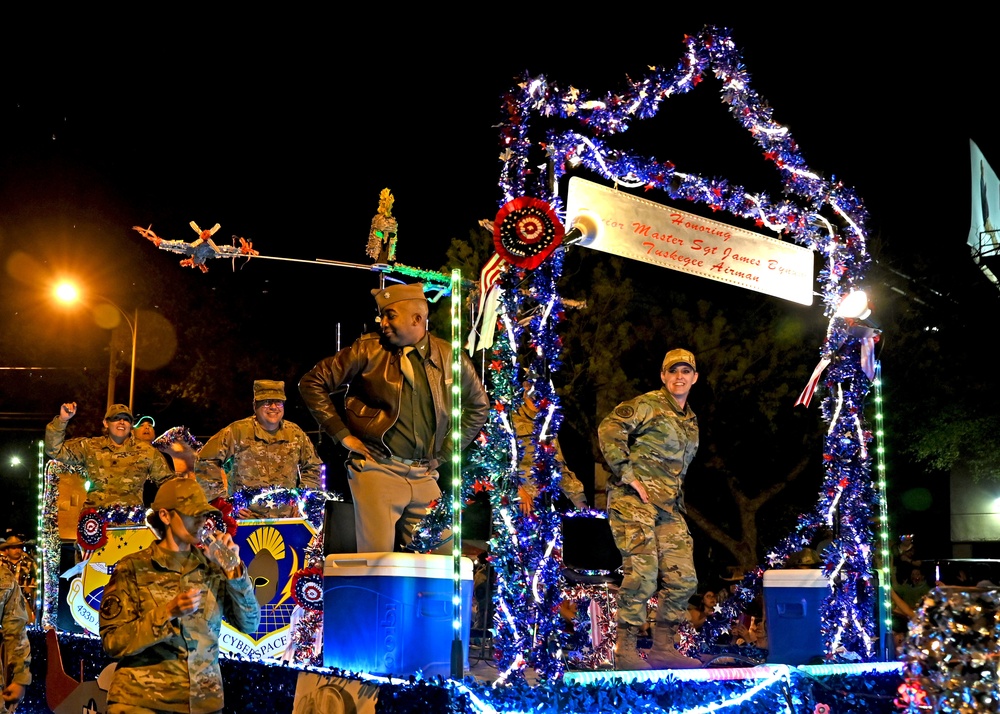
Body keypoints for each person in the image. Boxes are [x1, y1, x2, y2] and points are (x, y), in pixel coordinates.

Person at [299, 282, 490, 553]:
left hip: (424, 474)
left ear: (417, 318)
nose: (383, 322)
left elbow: (478, 406)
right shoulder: (367, 349)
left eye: (390, 315)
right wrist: (342, 435)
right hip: (378, 469)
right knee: (379, 558)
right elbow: (312, 382)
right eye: (382, 315)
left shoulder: (449, 356)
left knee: (445, 555)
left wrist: (446, 452)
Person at [99, 477, 260, 713]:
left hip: (204, 702)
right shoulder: (133, 568)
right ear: (165, 516)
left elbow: (250, 624)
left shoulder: (212, 568)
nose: (201, 522)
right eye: (192, 514)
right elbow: (113, 643)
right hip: (143, 702)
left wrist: (234, 571)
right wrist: (167, 613)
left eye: (203, 515)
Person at [598, 348, 702, 670]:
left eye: (685, 371)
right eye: (673, 371)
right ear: (663, 376)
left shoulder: (690, 421)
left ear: (694, 378)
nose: (679, 377)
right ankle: (625, 650)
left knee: (684, 578)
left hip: (668, 509)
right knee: (643, 574)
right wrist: (626, 473)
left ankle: (663, 647)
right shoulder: (649, 404)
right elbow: (609, 428)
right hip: (635, 502)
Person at [197, 380, 324, 519]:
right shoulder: (237, 432)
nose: (274, 407)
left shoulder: (295, 434)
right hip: (245, 521)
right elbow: (205, 460)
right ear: (255, 405)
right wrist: (223, 503)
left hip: (286, 521)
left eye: (279, 402)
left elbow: (313, 466)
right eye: (267, 402)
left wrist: (303, 499)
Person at [44, 402, 174, 512]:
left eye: (126, 419)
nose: (122, 422)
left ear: (131, 425)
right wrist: (62, 420)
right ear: (106, 423)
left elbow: (169, 484)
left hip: (130, 526)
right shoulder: (90, 446)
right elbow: (54, 450)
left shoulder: (147, 451)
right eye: (116, 418)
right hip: (94, 525)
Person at [514, 381, 587, 515]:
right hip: (519, 504)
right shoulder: (511, 418)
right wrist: (517, 490)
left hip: (544, 505)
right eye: (531, 390)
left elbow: (559, 466)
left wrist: (580, 502)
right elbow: (498, 465)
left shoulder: (547, 423)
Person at [0, 564, 30, 710]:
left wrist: (20, 677)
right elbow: (16, 631)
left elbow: (16, 630)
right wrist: (20, 678)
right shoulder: (4, 578)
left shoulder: (4, 579)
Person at [0, 536, 37, 624]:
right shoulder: (1, 563)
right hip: (3, 598)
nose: (17, 550)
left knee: (26, 622)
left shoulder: (30, 563)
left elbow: (36, 582)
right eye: (13, 548)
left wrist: (31, 588)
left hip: (23, 599)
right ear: (7, 550)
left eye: (19, 547)